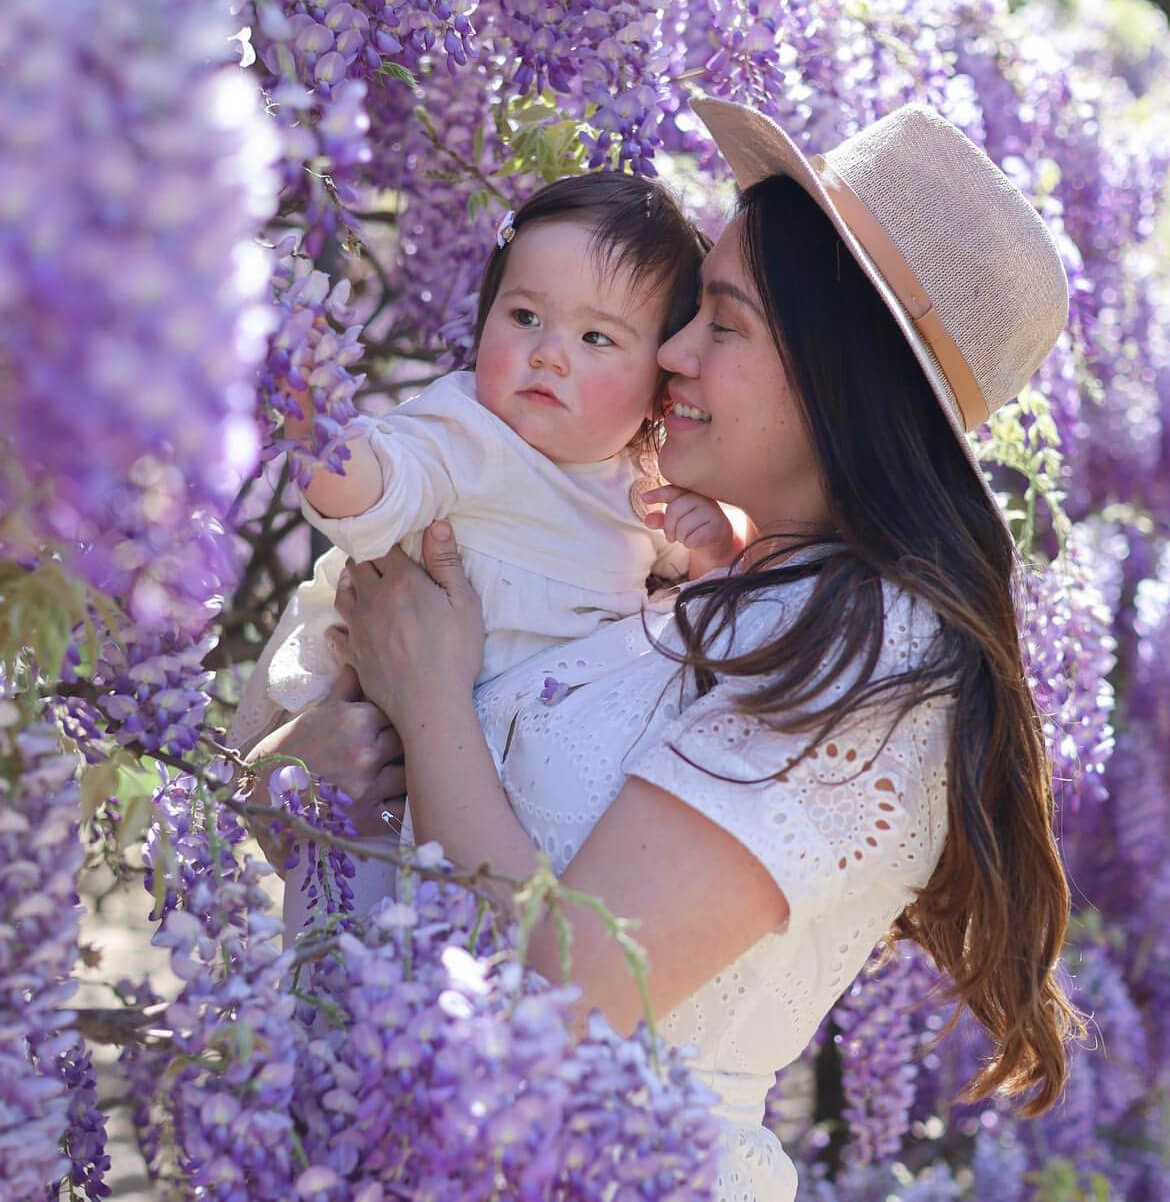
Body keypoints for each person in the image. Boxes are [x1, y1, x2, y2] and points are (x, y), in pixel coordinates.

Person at [247, 97, 1083, 1202]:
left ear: (843, 375)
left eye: (721, 324)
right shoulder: (675, 586)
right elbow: (382, 849)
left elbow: (570, 993)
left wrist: (431, 695)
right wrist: (300, 775)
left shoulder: (876, 655)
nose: (671, 353)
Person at [229, 172, 726, 765]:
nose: (548, 353)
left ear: (660, 385)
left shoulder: (643, 487)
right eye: (523, 317)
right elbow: (365, 495)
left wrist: (710, 550)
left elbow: (700, 602)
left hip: (508, 765)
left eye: (596, 336)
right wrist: (316, 413)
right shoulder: (463, 432)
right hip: (375, 739)